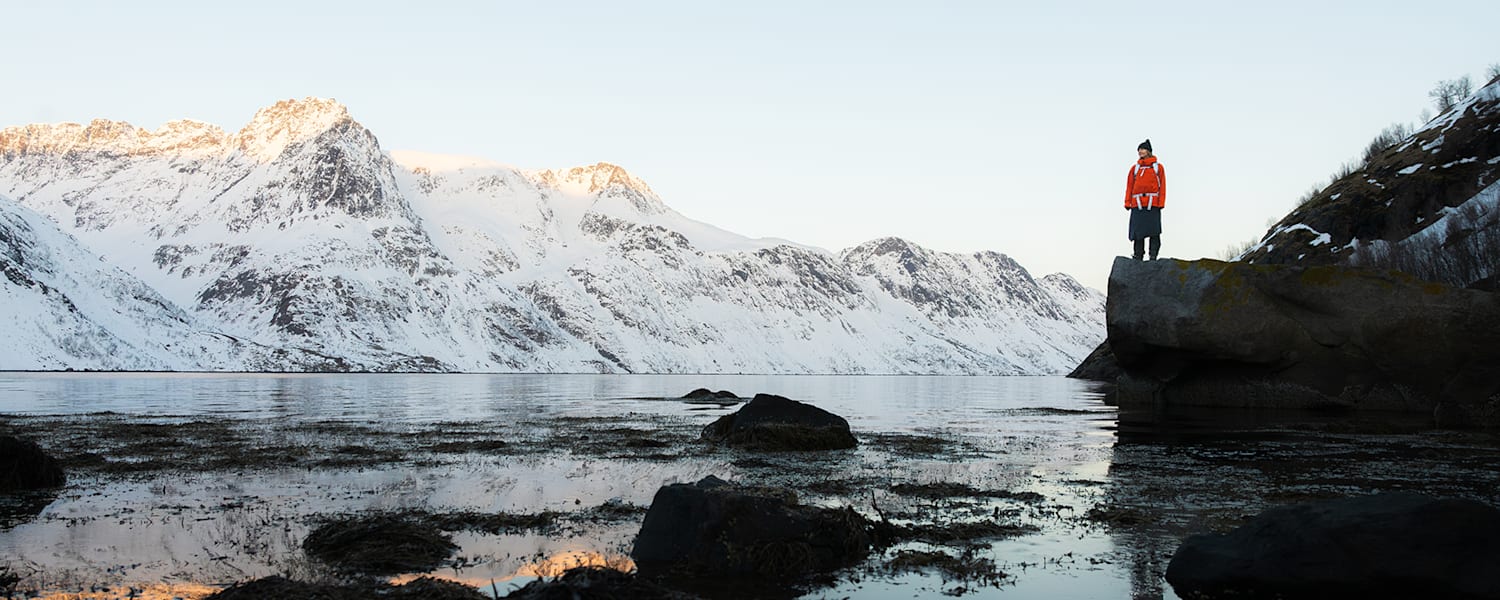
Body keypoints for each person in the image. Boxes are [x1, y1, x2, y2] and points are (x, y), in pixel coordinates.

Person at [1124, 139, 1165, 260]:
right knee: (1137, 233)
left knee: (1154, 231)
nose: (1140, 151)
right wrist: (1127, 202)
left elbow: (1162, 186)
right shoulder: (1135, 169)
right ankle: (1138, 255)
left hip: (1153, 204)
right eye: (1139, 149)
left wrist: (1161, 203)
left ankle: (1153, 255)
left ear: (1148, 151)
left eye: (1142, 149)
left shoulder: (1158, 168)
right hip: (1137, 204)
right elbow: (1129, 186)